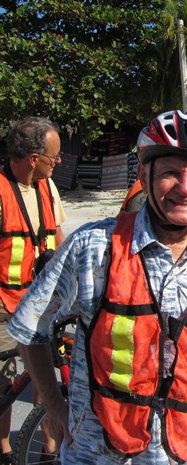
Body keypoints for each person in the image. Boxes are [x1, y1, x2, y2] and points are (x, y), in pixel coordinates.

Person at [7, 110, 187, 465]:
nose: (186, 188)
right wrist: (56, 409)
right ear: (144, 174)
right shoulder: (93, 248)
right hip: (99, 455)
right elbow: (30, 327)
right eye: (170, 172)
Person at [0, 117, 67, 464]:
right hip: (2, 304)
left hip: (40, 300)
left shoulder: (47, 187)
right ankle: (6, 452)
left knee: (44, 376)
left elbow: (56, 236)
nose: (58, 162)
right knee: (5, 381)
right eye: (53, 157)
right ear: (32, 158)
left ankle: (48, 449)